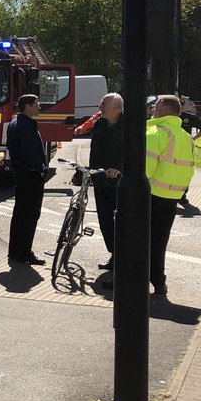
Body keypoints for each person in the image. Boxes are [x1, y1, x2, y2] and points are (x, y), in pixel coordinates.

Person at [145, 94, 196, 298]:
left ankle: (130, 281)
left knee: (135, 238)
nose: (153, 108)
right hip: (171, 195)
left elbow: (146, 168)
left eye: (156, 105)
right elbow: (190, 168)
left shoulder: (157, 132)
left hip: (151, 193)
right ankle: (159, 282)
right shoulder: (185, 136)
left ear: (165, 109)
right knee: (159, 241)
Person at [6, 93, 48, 265]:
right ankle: (25, 252)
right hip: (30, 175)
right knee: (30, 215)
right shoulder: (27, 126)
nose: (39, 107)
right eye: (36, 104)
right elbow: (31, 151)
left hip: (20, 174)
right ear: (28, 106)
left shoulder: (14, 122)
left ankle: (14, 251)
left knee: (19, 214)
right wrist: (40, 169)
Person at [87, 92, 124, 278]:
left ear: (116, 108)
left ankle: (121, 257)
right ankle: (113, 254)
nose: (100, 107)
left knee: (120, 222)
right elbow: (94, 149)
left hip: (117, 183)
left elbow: (131, 152)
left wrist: (119, 168)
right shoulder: (100, 124)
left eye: (104, 104)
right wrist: (88, 171)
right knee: (104, 221)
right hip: (100, 180)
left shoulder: (128, 126)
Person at [176, 105, 201, 207]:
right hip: (169, 147)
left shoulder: (189, 117)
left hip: (185, 149)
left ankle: (182, 196)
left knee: (184, 171)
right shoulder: (167, 118)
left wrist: (194, 138)